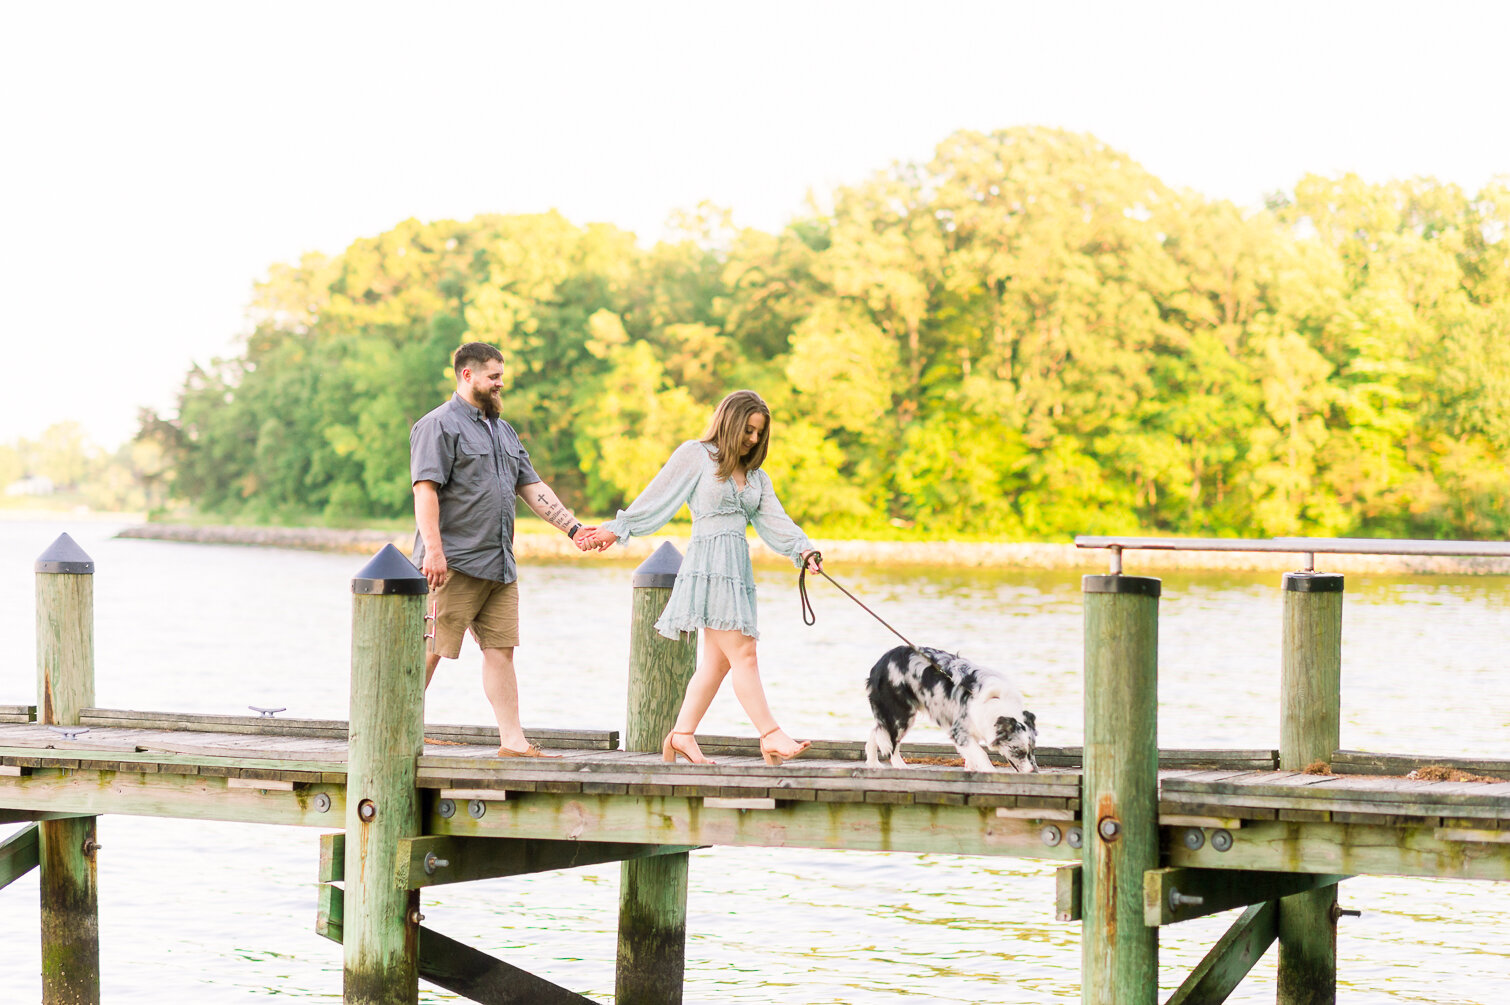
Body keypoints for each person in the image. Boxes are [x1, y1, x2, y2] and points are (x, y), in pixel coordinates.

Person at [578, 390, 822, 766]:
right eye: (749, 430)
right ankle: (771, 735)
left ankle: (681, 735)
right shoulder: (697, 455)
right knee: (745, 653)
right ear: (730, 422)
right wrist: (617, 528)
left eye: (759, 434)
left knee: (718, 662)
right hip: (707, 566)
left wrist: (803, 551)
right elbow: (657, 497)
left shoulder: (757, 477)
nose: (754, 440)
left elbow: (777, 522)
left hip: (736, 570)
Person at [410, 341, 596, 758]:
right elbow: (425, 490)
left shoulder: (503, 430)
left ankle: (513, 743)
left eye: (501, 375)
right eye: (494, 376)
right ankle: (398, 729)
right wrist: (433, 552)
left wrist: (574, 529)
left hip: (499, 565)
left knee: (501, 652)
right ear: (467, 375)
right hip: (452, 563)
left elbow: (532, 486)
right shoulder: (437, 426)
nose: (501, 383)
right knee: (427, 651)